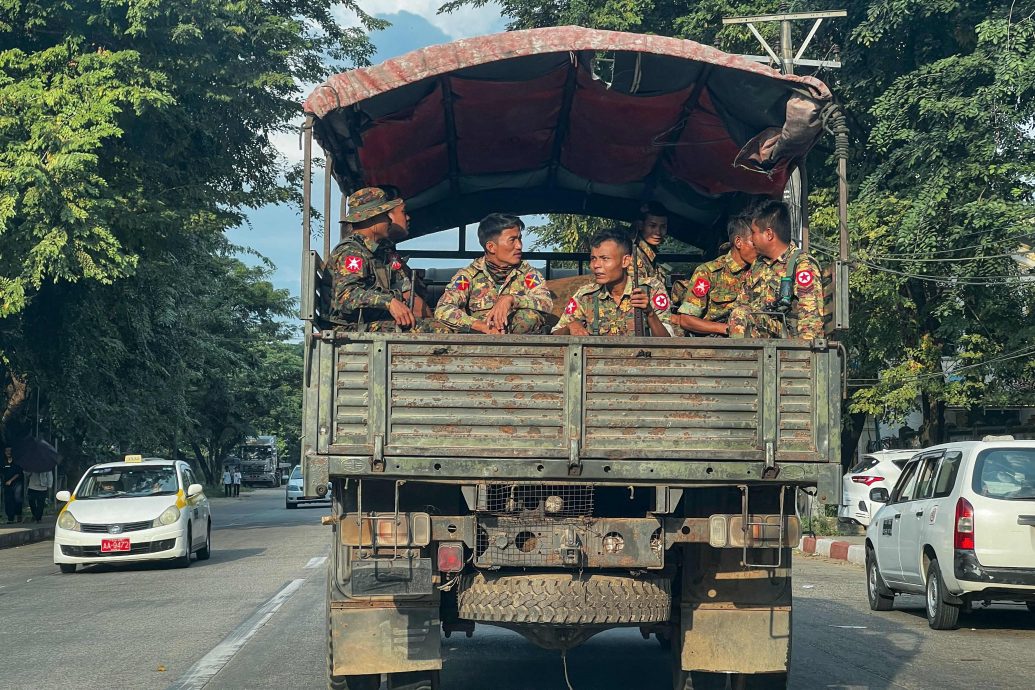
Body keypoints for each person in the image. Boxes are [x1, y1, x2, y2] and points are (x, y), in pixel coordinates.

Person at [329, 187, 439, 332]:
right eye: (385, 215)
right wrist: (389, 302)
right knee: (438, 331)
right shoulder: (351, 252)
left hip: (368, 324)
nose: (389, 220)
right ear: (373, 219)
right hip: (351, 329)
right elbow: (346, 296)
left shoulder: (376, 252)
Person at [435, 214, 553, 334]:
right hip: (476, 342)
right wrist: (480, 326)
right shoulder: (469, 275)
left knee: (529, 317)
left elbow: (546, 304)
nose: (519, 246)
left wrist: (511, 299)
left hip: (517, 342)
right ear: (491, 247)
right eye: (512, 240)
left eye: (520, 239)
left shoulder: (528, 274)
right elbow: (443, 308)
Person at [728, 200, 825, 339]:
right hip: (761, 336)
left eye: (754, 233)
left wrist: (802, 357)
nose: (752, 239)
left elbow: (810, 320)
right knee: (739, 313)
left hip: (786, 340)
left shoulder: (802, 265)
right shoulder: (759, 265)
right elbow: (741, 303)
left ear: (769, 234)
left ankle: (741, 359)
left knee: (741, 315)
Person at [552, 228, 673, 337]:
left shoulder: (650, 289)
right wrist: (570, 326)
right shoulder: (585, 296)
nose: (596, 265)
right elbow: (553, 336)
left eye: (605, 259)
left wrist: (650, 314)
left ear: (625, 261)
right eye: (593, 258)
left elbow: (669, 344)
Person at [674, 214, 757, 336]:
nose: (759, 248)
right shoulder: (708, 272)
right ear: (738, 242)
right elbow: (686, 320)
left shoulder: (761, 271)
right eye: (754, 243)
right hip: (717, 345)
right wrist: (726, 329)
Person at [631, 201, 670, 283]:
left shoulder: (649, 254)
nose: (658, 232)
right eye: (653, 226)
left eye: (663, 226)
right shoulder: (633, 254)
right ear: (641, 225)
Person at [2, 448, 24, 523]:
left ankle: (18, 514)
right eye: (6, 451)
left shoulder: (17, 462)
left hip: (17, 483)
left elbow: (19, 473)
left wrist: (11, 480)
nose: (8, 452)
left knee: (17, 499)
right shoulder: (3, 462)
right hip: (6, 484)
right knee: (8, 500)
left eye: (10, 451)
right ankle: (10, 518)